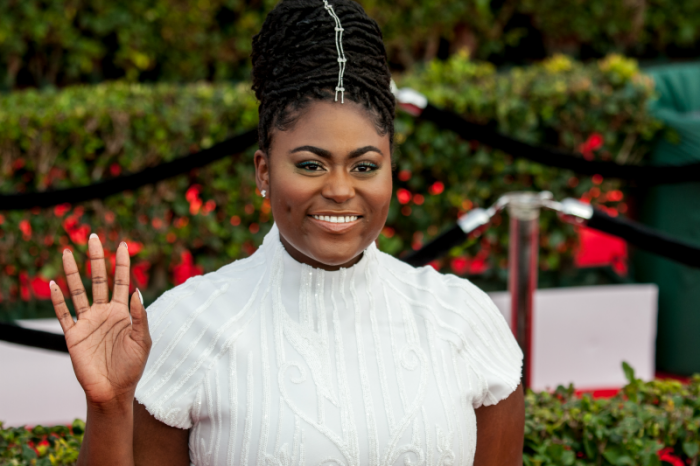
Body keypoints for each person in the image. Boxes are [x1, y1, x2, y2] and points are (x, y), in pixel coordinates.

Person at [49, 0, 524, 464]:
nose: (340, 189)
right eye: (311, 164)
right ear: (263, 171)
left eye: (364, 165)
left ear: (390, 172)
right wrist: (108, 407)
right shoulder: (186, 325)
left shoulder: (461, 319)